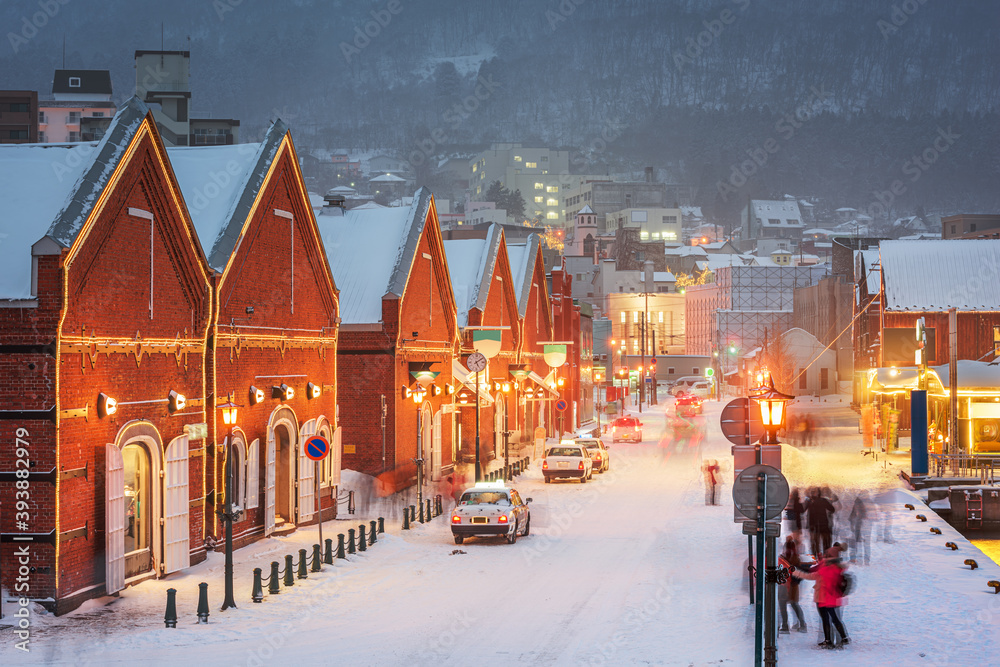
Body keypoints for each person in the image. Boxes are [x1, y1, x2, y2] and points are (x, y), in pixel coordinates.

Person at [797, 547, 850, 648]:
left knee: (827, 619)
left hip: (823, 597)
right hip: (832, 597)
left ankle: (829, 640)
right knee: (834, 618)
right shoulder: (837, 568)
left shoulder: (826, 569)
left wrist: (796, 572)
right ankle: (843, 638)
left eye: (826, 555)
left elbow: (811, 575)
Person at [777, 537, 807, 634]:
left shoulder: (784, 558)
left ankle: (785, 626)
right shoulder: (796, 558)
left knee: (783, 605)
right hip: (793, 585)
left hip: (785, 584)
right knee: (794, 604)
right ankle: (802, 624)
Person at [806, 487, 835, 557]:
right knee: (825, 543)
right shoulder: (823, 500)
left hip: (814, 526)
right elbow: (832, 509)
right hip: (823, 524)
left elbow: (810, 515)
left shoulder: (810, 502)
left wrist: (810, 525)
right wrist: (829, 514)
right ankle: (826, 558)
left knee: (815, 544)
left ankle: (816, 558)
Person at [849, 493, 871, 565]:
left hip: (860, 524)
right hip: (867, 524)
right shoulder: (869, 501)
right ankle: (866, 561)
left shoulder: (857, 501)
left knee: (859, 542)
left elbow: (853, 514)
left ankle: (860, 560)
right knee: (866, 543)